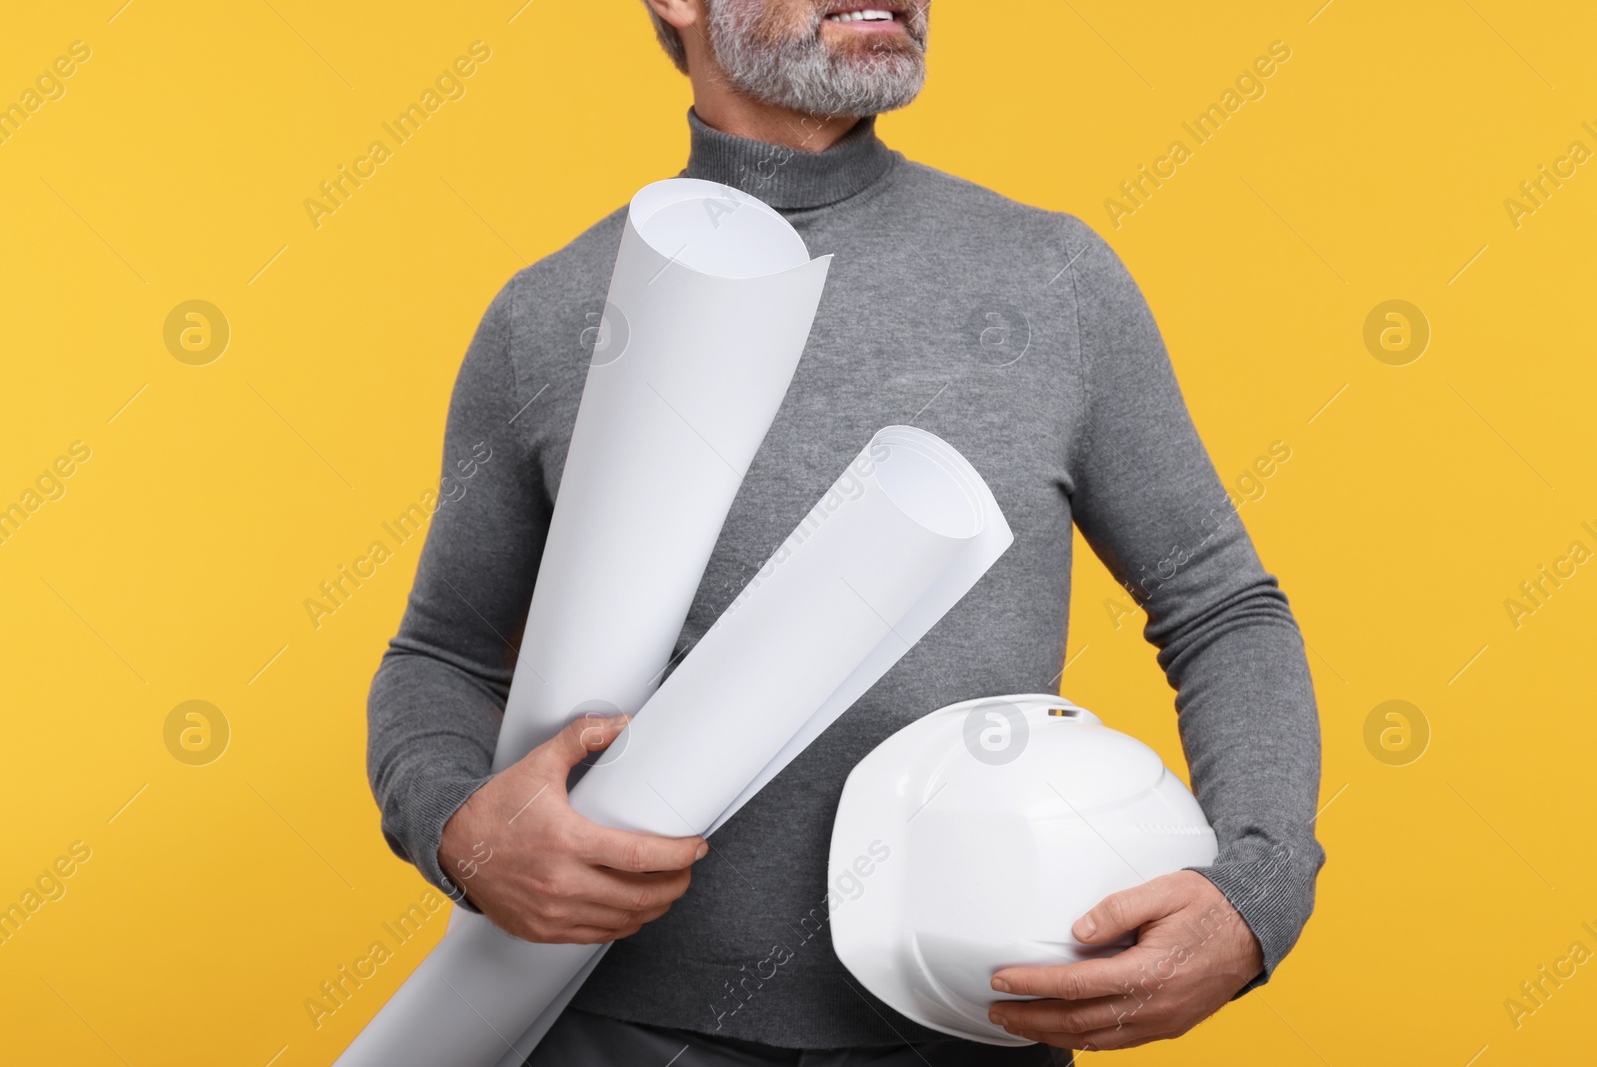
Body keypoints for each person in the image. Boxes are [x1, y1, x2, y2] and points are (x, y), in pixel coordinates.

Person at [365, 1, 1325, 1062]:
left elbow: (1221, 607)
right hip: (624, 1031)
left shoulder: (1051, 280)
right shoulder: (551, 317)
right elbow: (441, 653)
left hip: (978, 1020)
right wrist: (462, 825)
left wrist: (1255, 886)